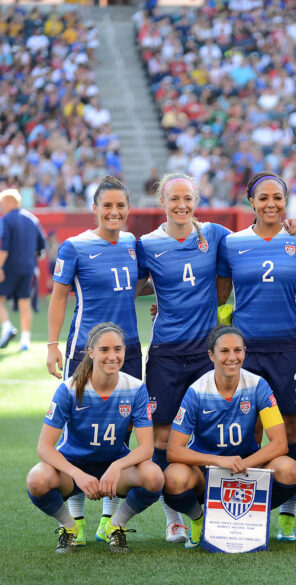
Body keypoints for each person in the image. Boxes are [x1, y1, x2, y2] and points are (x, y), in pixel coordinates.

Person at [45, 176, 156, 543]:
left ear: (128, 209)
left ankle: (109, 519)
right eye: (106, 206)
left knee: (121, 425)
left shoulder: (131, 244)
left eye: (120, 206)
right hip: (86, 348)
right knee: (80, 426)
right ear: (94, 208)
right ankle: (74, 518)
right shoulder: (74, 247)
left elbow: (137, 283)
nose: (113, 212)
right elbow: (59, 297)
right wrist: (51, 344)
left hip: (129, 345)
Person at [217, 171, 296, 541]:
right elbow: (219, 298)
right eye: (263, 198)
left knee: (288, 429)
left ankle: (287, 514)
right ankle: (250, 513)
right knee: (251, 431)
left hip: (287, 346)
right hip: (246, 351)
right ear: (251, 203)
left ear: (286, 202)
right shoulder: (232, 243)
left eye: (278, 198)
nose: (271, 204)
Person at [136, 172, 232, 540]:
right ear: (162, 203)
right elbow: (137, 283)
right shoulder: (147, 244)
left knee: (205, 435)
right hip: (166, 353)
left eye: (188, 198)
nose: (182, 205)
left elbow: (237, 264)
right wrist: (158, 297)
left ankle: (215, 510)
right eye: (174, 199)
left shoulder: (216, 235)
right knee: (162, 438)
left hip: (206, 353)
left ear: (197, 200)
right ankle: (174, 517)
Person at [26, 322, 163, 553]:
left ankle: (115, 526)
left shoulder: (136, 388)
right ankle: (69, 527)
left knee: (154, 476)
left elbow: (146, 448)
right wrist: (77, 474)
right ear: (91, 352)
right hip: (72, 470)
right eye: (105, 350)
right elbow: (44, 448)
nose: (113, 356)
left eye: (118, 349)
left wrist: (117, 466)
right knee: (36, 480)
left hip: (113, 470)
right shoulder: (69, 389)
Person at [162, 325, 296, 548]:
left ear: (245, 352)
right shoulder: (197, 391)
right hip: (207, 471)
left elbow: (280, 443)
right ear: (211, 355)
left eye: (238, 350)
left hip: (248, 468)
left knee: (290, 469)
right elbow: (174, 450)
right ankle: (199, 520)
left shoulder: (258, 385)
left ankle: (249, 520)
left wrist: (242, 464)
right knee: (173, 478)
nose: (232, 357)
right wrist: (219, 461)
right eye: (224, 351)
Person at [0, 188, 45, 351]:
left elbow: (4, 247)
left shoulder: (6, 220)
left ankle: (7, 327)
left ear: (10, 202)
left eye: (2, 203)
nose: (1, 206)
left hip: (10, 267)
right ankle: (25, 340)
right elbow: (41, 248)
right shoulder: (33, 219)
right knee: (24, 302)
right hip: (28, 268)